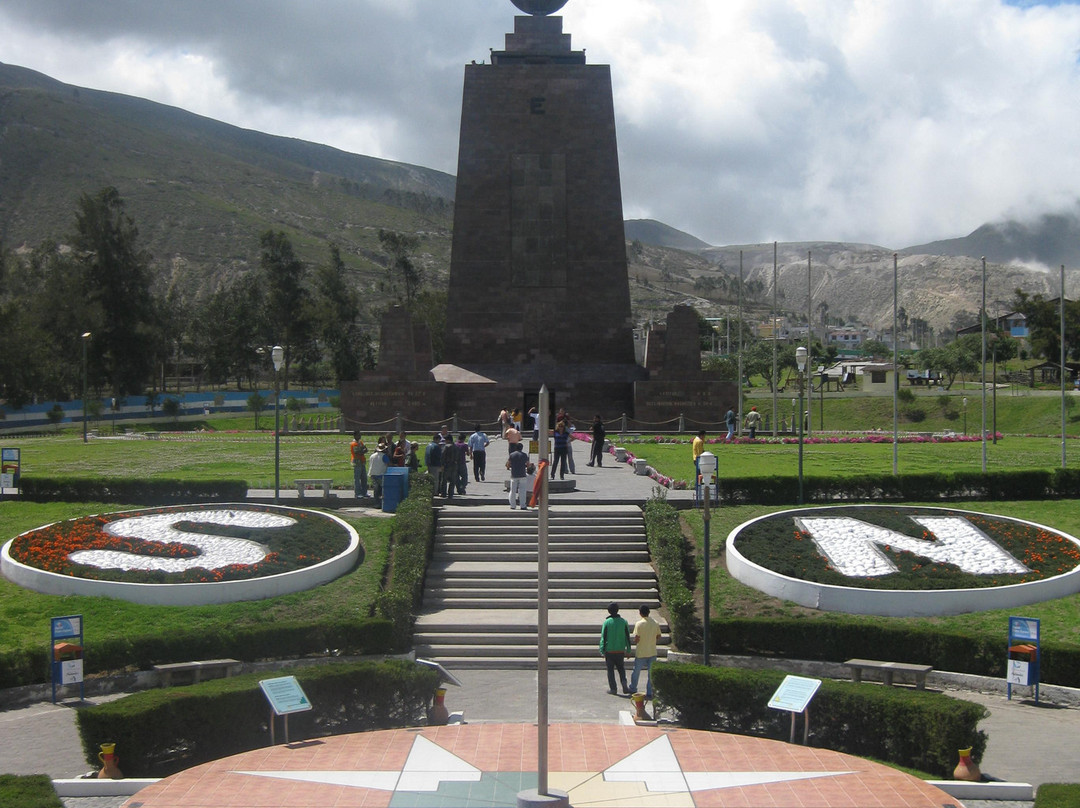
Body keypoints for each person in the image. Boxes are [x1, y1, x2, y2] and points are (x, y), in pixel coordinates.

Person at [629, 605, 662, 699]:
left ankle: (633, 688)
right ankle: (649, 692)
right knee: (650, 674)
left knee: (636, 672)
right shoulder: (655, 623)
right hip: (652, 651)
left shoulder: (639, 624)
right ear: (649, 612)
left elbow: (637, 638)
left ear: (640, 613)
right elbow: (659, 636)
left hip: (641, 652)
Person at [599, 602, 632, 695]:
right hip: (620, 650)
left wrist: (602, 650)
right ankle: (624, 686)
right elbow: (627, 637)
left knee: (610, 671)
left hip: (609, 651)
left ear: (608, 611)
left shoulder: (607, 622)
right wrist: (628, 650)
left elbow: (603, 637)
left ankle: (613, 689)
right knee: (621, 669)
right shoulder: (623, 622)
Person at [506, 443, 530, 509]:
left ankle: (512, 505)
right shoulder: (524, 455)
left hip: (514, 475)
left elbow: (508, 464)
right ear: (522, 448)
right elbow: (528, 464)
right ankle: (523, 505)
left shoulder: (512, 455)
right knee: (522, 491)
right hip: (522, 475)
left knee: (512, 491)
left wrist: (508, 467)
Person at [349, 432, 368, 498]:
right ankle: (358, 493)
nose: (360, 436)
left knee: (364, 478)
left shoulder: (360, 442)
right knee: (357, 479)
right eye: (358, 435)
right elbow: (358, 452)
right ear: (355, 436)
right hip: (357, 463)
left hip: (362, 462)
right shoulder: (353, 444)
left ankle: (364, 492)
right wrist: (363, 450)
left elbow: (365, 450)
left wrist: (363, 450)